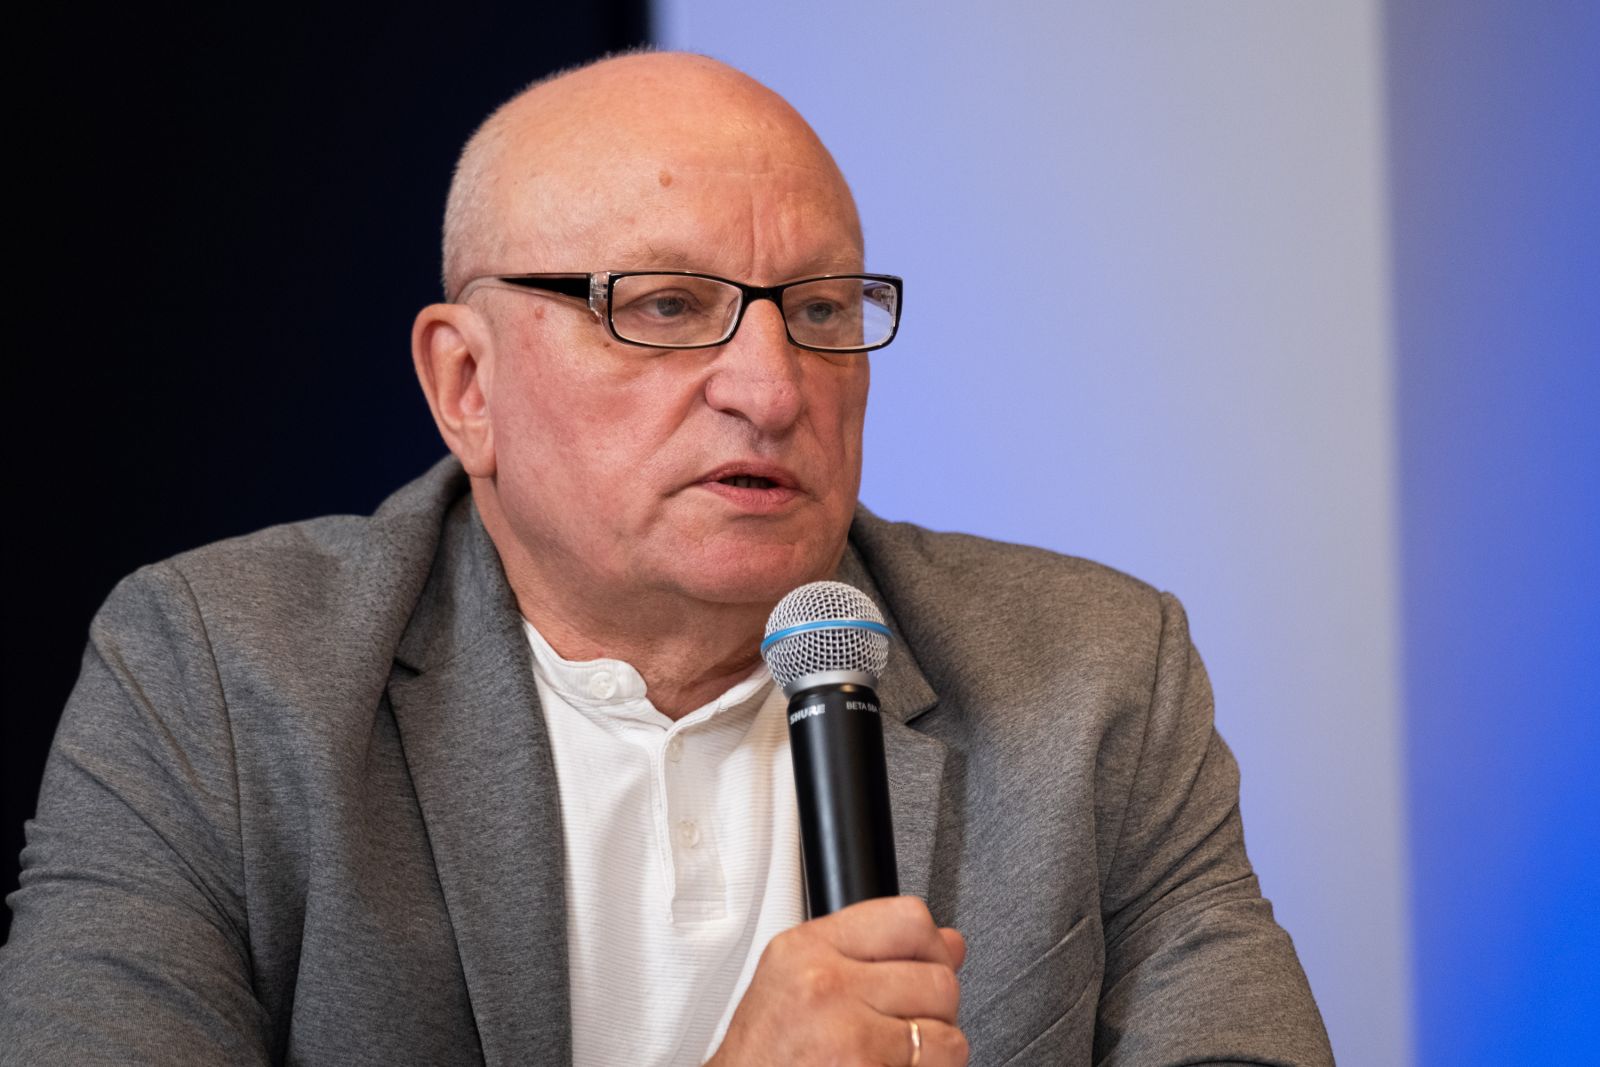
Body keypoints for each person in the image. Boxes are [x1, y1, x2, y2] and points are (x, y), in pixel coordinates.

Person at [0, 52, 1333, 1066]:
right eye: (665, 307)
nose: (772, 386)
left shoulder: (1096, 674)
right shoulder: (220, 679)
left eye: (821, 310)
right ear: (467, 386)